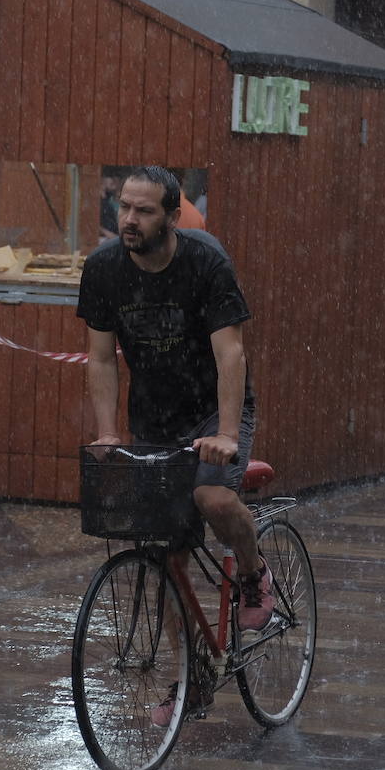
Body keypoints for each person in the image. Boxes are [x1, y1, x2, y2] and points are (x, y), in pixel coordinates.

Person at [77, 166, 273, 725]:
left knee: (212, 500)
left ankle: (255, 575)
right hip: (155, 418)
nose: (129, 219)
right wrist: (110, 433)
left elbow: (230, 354)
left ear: (170, 216)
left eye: (143, 210)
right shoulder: (105, 269)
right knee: (163, 554)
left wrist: (228, 435)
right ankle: (193, 676)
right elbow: (99, 357)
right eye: (123, 207)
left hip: (214, 411)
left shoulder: (204, 262)